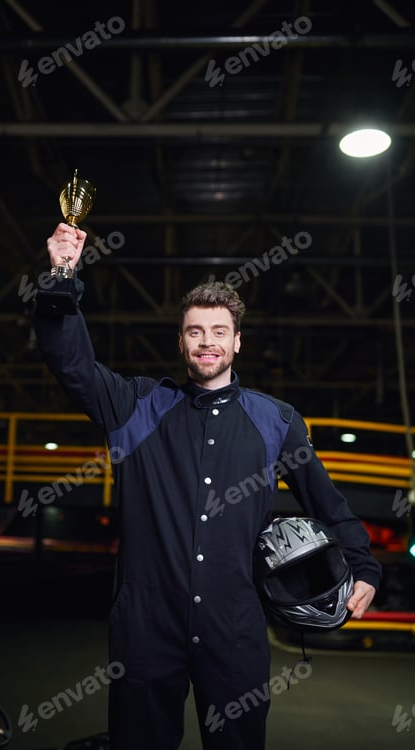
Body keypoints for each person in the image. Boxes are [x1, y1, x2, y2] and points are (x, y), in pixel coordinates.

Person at [34, 223, 381, 750]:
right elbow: (71, 363)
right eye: (195, 331)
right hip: (147, 628)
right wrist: (61, 276)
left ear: (237, 341)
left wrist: (366, 568)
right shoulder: (136, 407)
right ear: (181, 341)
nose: (207, 342)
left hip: (236, 629)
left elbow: (326, 502)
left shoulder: (276, 421)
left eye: (219, 332)